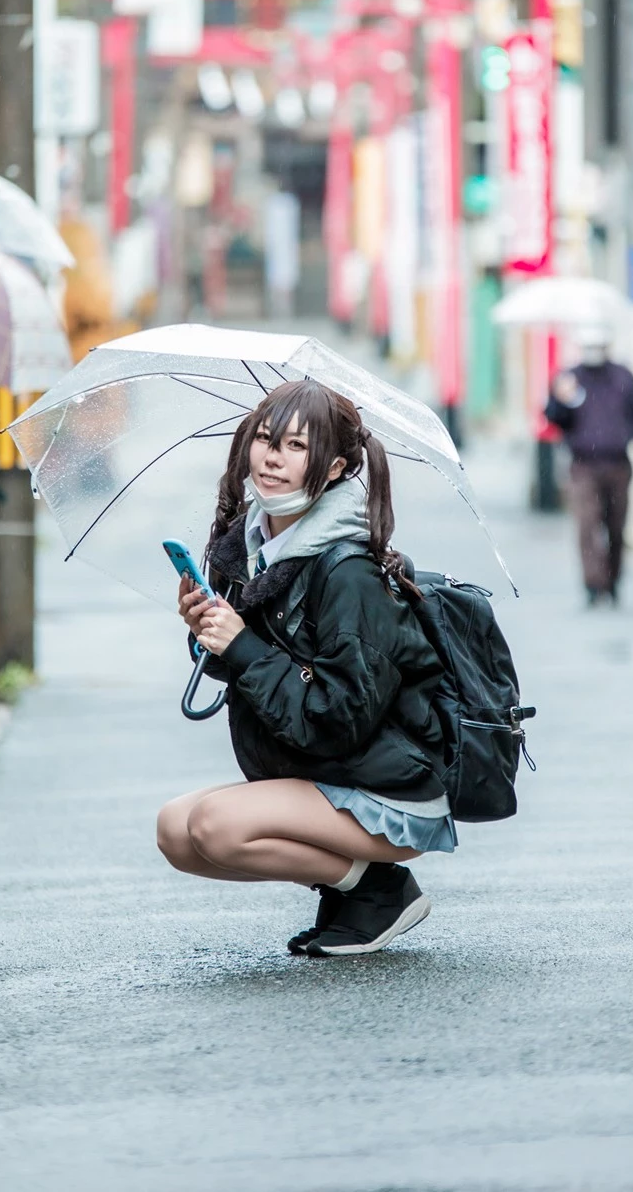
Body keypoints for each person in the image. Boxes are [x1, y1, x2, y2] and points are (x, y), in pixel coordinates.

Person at [156, 378, 453, 958]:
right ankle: (355, 891)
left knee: (216, 825)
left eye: (296, 446)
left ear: (337, 466)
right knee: (176, 830)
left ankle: (376, 889)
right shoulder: (256, 551)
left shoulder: (349, 572)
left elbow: (338, 718)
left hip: (386, 787)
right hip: (325, 770)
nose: (272, 457)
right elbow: (268, 677)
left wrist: (241, 647)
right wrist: (210, 637)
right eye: (265, 439)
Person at [544, 322, 633, 607]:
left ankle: (613, 579)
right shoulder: (569, 378)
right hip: (583, 465)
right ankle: (593, 585)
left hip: (618, 464)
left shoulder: (624, 376)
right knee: (587, 525)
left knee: (616, 527)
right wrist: (562, 400)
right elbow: (554, 418)